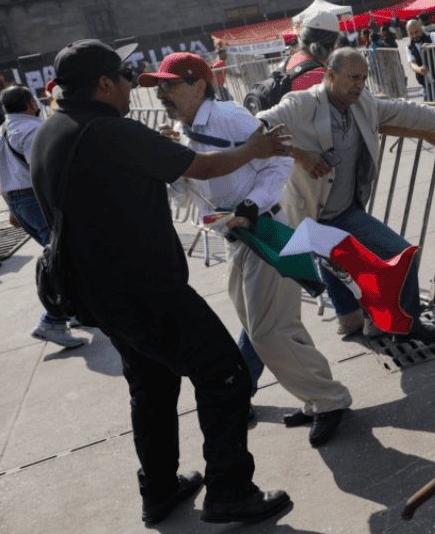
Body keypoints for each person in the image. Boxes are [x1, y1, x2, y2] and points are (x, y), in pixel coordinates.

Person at [30, 39, 293, 526]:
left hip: (99, 294)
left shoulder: (51, 133)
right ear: (105, 84)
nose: (134, 86)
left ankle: (159, 490)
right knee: (226, 374)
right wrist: (254, 148)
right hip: (146, 289)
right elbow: (203, 166)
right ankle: (230, 490)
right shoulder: (110, 130)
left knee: (151, 387)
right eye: (126, 77)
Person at [140, 52, 352, 448]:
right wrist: (171, 168)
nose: (162, 94)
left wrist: (250, 208)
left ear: (198, 84)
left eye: (169, 84)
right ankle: (317, 396)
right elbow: (195, 183)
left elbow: (278, 163)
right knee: (278, 325)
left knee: (267, 330)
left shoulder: (229, 119)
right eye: (159, 87)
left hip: (266, 228)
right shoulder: (184, 128)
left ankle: (329, 400)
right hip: (240, 239)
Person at [256, 47, 435, 343]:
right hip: (311, 218)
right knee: (348, 266)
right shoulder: (301, 103)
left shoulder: (364, 103)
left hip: (346, 211)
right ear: (330, 76)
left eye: (364, 78)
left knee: (401, 255)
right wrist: (300, 155)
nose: (359, 85)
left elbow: (404, 109)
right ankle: (368, 319)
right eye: (352, 78)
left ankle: (402, 323)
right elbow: (258, 127)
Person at [0, 85, 86, 348]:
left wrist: (11, 208)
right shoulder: (33, 130)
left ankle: (75, 310)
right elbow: (43, 170)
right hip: (36, 198)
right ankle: (52, 320)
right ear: (31, 103)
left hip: (19, 201)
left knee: (58, 257)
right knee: (63, 259)